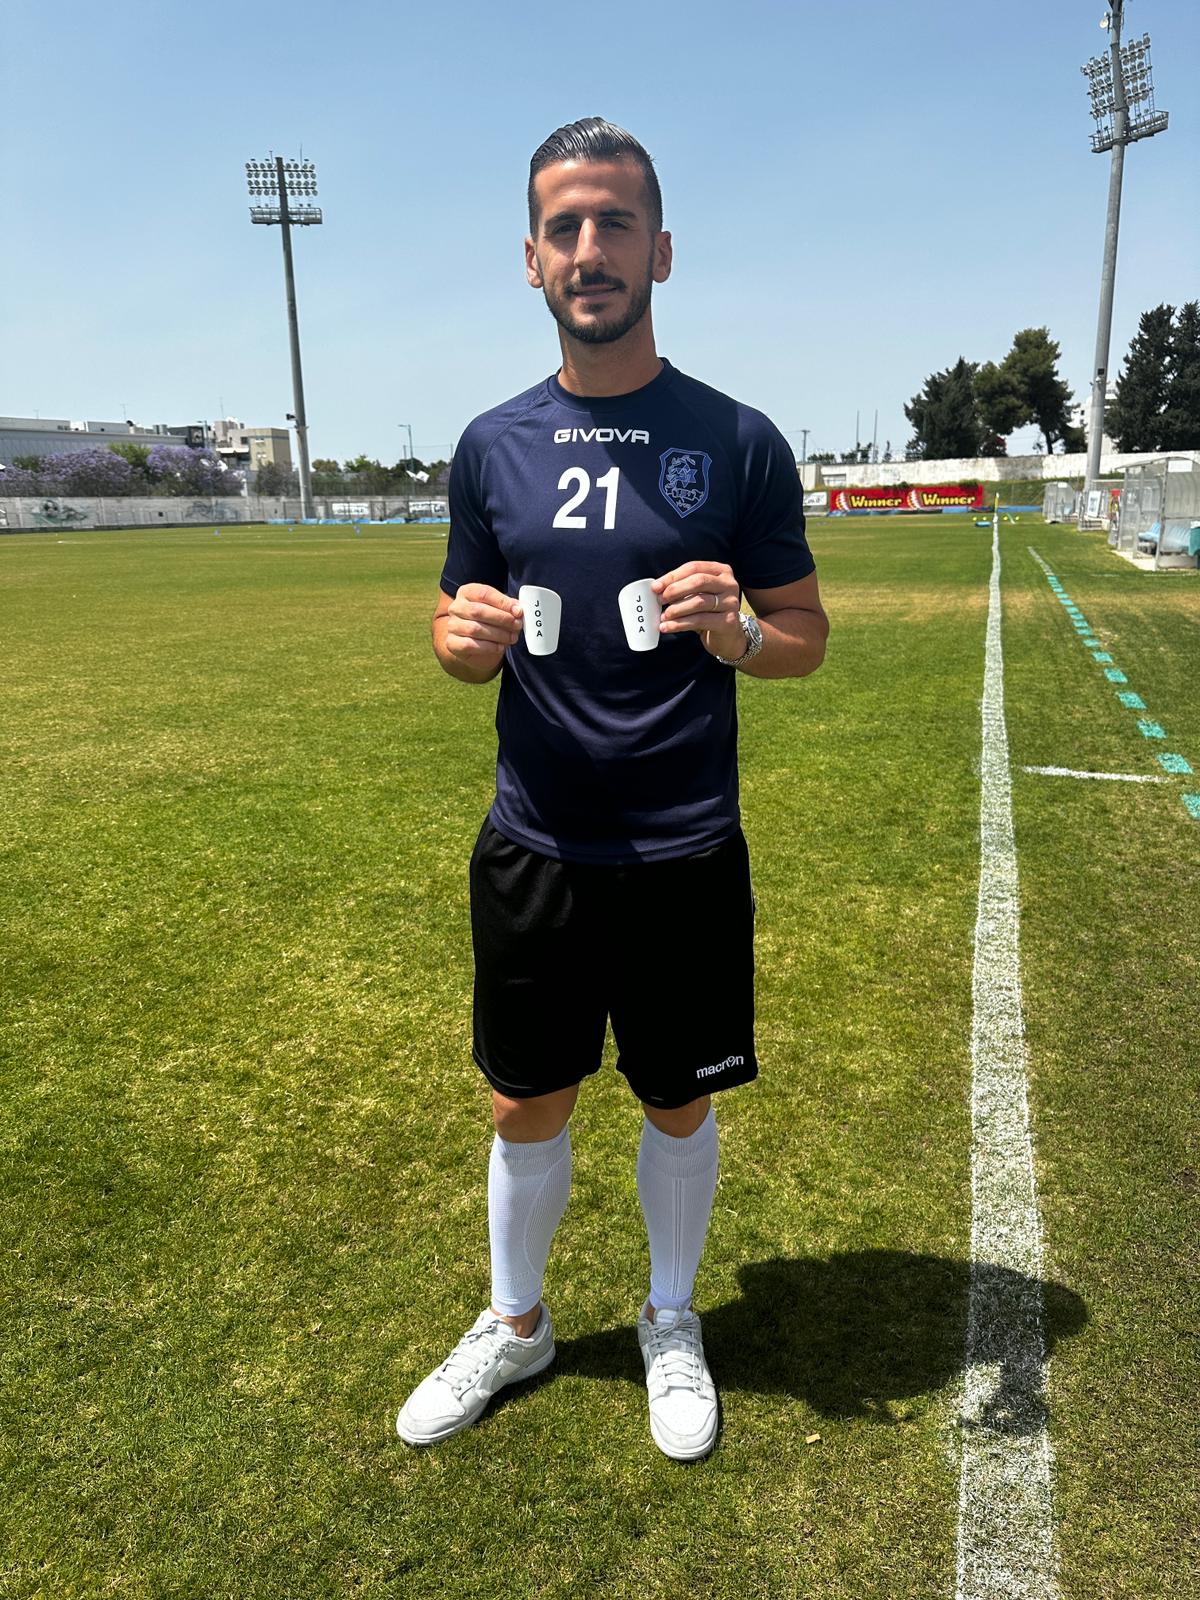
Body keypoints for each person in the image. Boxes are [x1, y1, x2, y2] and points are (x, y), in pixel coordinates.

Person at [397, 117, 828, 1461]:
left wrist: (740, 633)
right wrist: (459, 644)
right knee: (522, 1099)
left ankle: (670, 1316)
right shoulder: (491, 446)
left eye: (616, 224)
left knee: (675, 1097)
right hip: (536, 841)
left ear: (662, 251)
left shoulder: (737, 440)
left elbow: (805, 636)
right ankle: (517, 1325)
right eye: (566, 227)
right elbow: (459, 631)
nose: (592, 250)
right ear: (532, 259)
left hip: (683, 845)